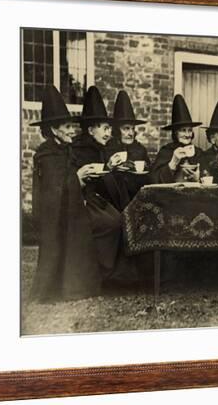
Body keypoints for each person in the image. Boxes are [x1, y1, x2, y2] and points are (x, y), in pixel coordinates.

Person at [29, 85, 104, 303]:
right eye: (67, 126)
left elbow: (66, 182)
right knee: (57, 246)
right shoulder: (47, 154)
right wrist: (78, 178)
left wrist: (78, 179)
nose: (73, 131)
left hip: (69, 209)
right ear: (54, 130)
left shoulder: (65, 149)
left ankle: (76, 286)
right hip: (53, 214)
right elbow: (53, 189)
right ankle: (60, 289)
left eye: (72, 126)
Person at [70, 86, 132, 280]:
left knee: (121, 218)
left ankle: (112, 271)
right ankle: (102, 272)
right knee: (112, 223)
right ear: (90, 130)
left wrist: (112, 169)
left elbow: (103, 178)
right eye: (105, 129)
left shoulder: (101, 148)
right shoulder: (78, 149)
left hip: (98, 199)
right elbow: (79, 180)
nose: (109, 133)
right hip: (80, 201)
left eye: (109, 129)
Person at [105, 90, 151, 199]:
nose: (130, 133)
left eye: (132, 129)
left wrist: (145, 167)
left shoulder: (140, 150)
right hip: (113, 198)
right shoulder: (107, 148)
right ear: (117, 130)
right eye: (126, 129)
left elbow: (149, 177)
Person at [150, 94, 203, 183]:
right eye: (183, 130)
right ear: (175, 132)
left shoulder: (199, 153)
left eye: (189, 130)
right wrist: (173, 162)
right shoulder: (166, 151)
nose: (187, 134)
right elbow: (154, 180)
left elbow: (209, 177)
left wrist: (198, 178)